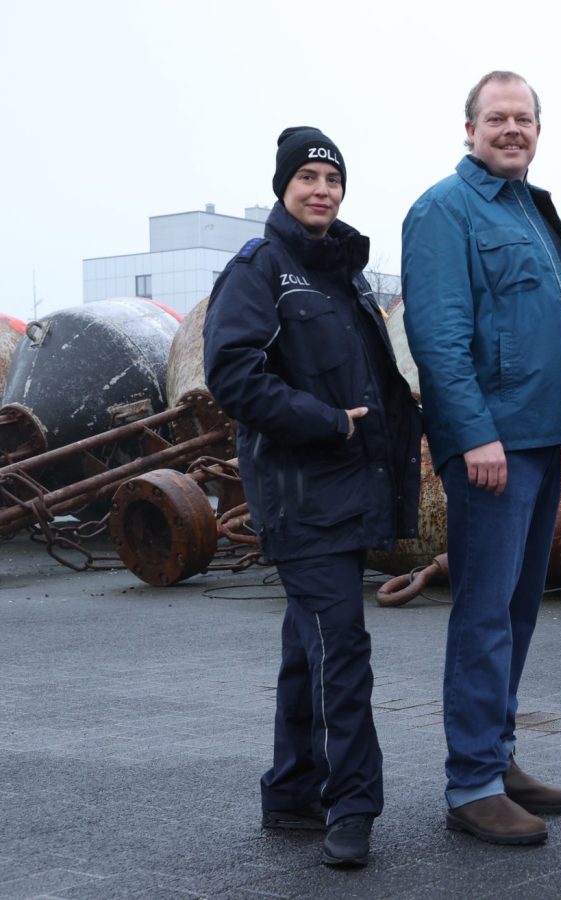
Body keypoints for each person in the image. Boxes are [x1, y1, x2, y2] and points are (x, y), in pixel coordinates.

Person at [400, 71, 561, 846]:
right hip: (491, 447)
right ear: (469, 129)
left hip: (535, 441)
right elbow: (440, 338)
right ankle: (472, 783)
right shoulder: (443, 212)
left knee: (518, 611)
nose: (511, 129)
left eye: (524, 118)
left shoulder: (529, 208)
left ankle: (500, 755)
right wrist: (475, 432)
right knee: (485, 613)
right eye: (497, 118)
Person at [203, 126, 422, 868]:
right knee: (342, 649)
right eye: (308, 177)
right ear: (283, 187)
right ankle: (353, 805)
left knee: (310, 646)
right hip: (301, 495)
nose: (322, 189)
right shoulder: (261, 269)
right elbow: (232, 376)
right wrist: (327, 423)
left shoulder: (341, 273)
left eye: (332, 178)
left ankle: (292, 792)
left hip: (346, 490)